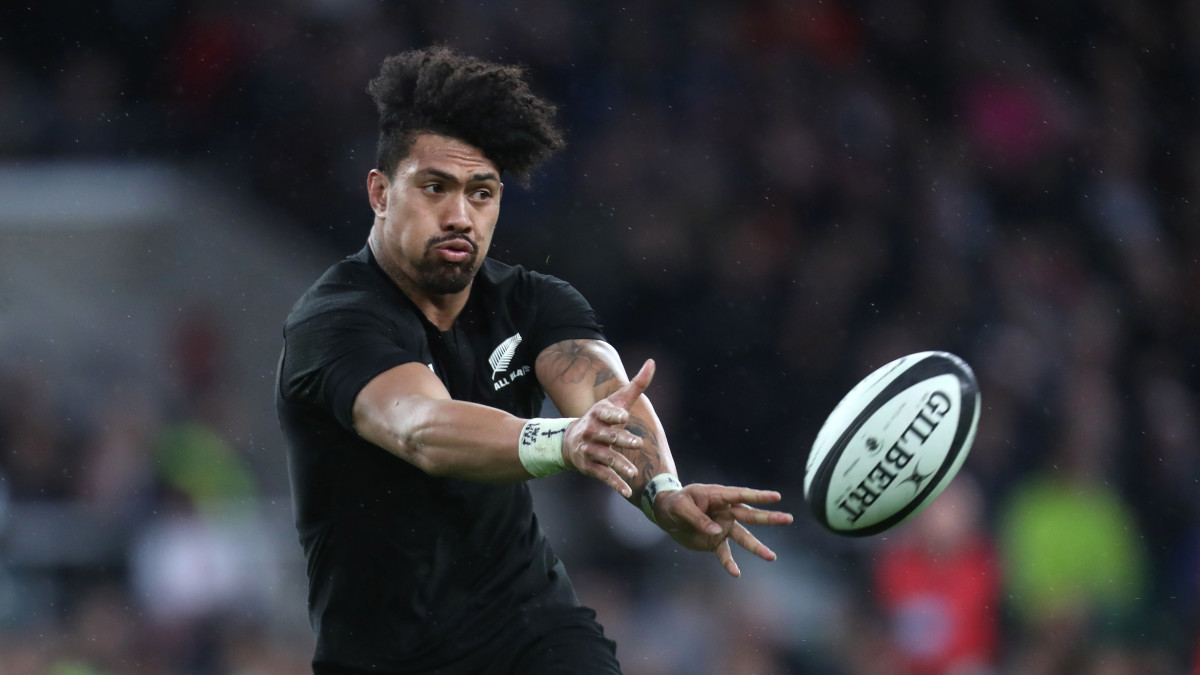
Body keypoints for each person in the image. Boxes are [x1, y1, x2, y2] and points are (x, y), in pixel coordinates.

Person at [276, 46, 793, 674]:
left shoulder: (534, 302)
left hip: (530, 632)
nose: (460, 215)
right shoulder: (334, 321)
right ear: (380, 192)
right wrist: (562, 439)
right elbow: (420, 429)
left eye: (482, 193)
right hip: (386, 657)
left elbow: (610, 400)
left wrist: (662, 494)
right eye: (434, 188)